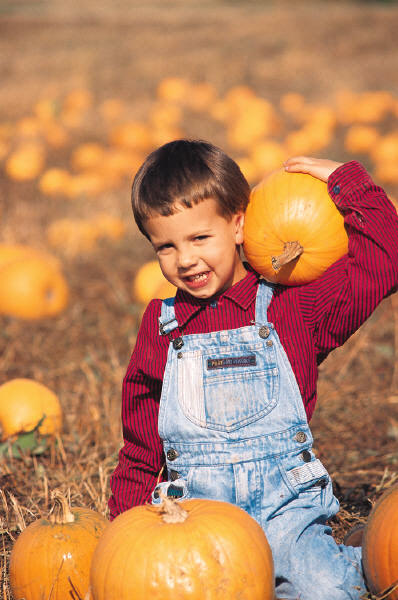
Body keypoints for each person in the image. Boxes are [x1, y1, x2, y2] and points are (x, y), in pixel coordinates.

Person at [108, 139, 398, 600]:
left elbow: (384, 262)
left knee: (323, 589)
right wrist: (121, 536)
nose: (185, 260)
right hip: (197, 520)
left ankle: (349, 554)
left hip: (286, 514)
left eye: (199, 238)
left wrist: (349, 184)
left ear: (239, 223)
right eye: (166, 246)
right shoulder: (160, 326)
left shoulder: (292, 309)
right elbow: (143, 442)